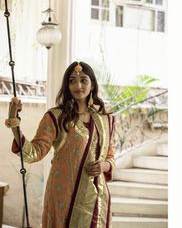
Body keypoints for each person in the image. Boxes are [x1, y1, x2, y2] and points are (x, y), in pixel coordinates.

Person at [5, 61, 116, 228]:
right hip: (64, 195)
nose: (78, 85)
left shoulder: (106, 119)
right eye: (72, 80)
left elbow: (111, 157)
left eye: (83, 80)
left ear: (92, 84)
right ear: (67, 85)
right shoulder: (56, 117)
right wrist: (15, 124)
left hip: (96, 197)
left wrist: (104, 166)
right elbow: (35, 152)